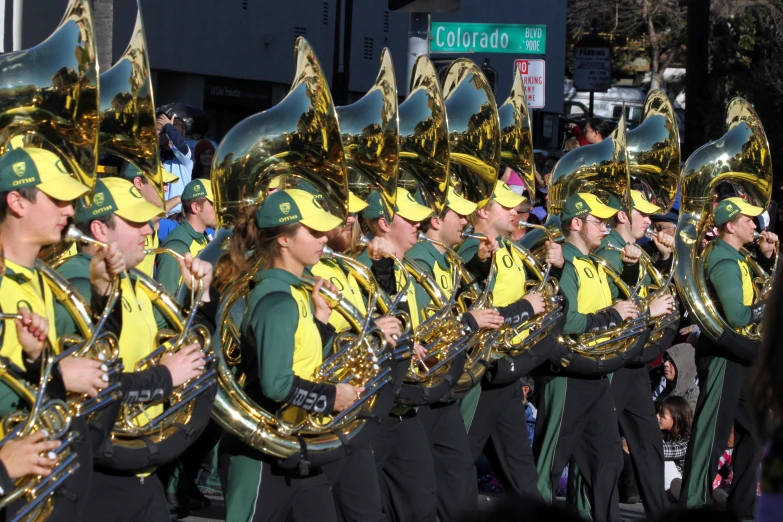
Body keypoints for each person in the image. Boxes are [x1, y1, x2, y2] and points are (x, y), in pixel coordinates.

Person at [56, 176, 212, 522]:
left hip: (140, 467)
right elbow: (83, 389)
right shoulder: (78, 288)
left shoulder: (137, 283)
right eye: (136, 222)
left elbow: (192, 348)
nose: (149, 229)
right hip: (97, 476)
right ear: (99, 229)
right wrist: (165, 377)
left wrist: (199, 296)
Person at [0, 147, 132, 520]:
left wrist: (103, 291)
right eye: (58, 199)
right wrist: (58, 374)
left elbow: (98, 353)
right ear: (17, 202)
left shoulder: (45, 280)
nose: (71, 210)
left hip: (47, 481)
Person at [216, 188, 363, 522]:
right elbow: (277, 385)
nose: (324, 237)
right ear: (283, 239)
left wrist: (322, 324)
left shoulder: (295, 294)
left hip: (296, 446)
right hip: (261, 455)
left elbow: (300, 360)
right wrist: (332, 396)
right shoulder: (277, 300)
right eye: (312, 232)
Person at [533, 193, 638, 522]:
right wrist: (612, 317)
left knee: (608, 460)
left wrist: (633, 273)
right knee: (550, 463)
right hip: (567, 374)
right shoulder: (563, 260)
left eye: (608, 222)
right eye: (599, 222)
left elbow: (622, 307)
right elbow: (567, 321)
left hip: (596, 371)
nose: (606, 228)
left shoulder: (595, 263)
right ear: (576, 223)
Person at [457, 181, 561, 501]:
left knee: (524, 478)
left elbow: (537, 296)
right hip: (480, 373)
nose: (517, 212)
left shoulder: (512, 248)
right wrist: (524, 309)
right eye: (507, 206)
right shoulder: (470, 248)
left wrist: (556, 269)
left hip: (506, 373)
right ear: (483, 211)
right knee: (456, 468)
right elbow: (472, 313)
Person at [406, 186, 504, 520]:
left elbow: (457, 296)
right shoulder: (420, 259)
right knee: (419, 491)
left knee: (459, 479)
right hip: (422, 385)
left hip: (442, 386)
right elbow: (424, 333)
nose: (467, 219)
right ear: (435, 220)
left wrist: (479, 264)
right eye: (458, 214)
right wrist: (469, 322)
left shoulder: (445, 257)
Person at [678, 197, 777, 519]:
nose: (755, 224)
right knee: (713, 433)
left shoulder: (738, 256)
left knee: (756, 428)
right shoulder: (723, 259)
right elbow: (736, 316)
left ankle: (744, 504)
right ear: (730, 225)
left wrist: (767, 258)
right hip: (724, 355)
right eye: (748, 219)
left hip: (742, 355)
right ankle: (694, 504)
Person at [308, 189, 402, 522]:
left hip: (353, 406)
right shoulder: (308, 268)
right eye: (343, 216)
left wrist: (384, 268)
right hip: (316, 413)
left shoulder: (345, 262)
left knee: (366, 512)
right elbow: (308, 341)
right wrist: (369, 330)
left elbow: (387, 305)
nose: (352, 222)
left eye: (353, 217)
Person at [591, 189, 677, 516]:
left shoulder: (636, 250)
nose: (650, 221)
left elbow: (653, 291)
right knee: (601, 447)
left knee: (648, 442)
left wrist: (665, 260)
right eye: (643, 214)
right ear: (624, 216)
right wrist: (648, 311)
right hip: (612, 360)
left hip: (635, 361)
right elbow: (614, 307)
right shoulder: (607, 252)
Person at [358, 187, 439, 521]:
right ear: (383, 224)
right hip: (374, 401)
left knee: (420, 498)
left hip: (402, 401)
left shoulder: (403, 266)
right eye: (409, 219)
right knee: (360, 504)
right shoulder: (366, 267)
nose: (419, 225)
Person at [155, 179, 216, 296]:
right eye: (213, 204)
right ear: (195, 207)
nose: (219, 210)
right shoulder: (176, 247)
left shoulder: (203, 236)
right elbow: (164, 305)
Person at [119, 162, 179, 278]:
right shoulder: (123, 219)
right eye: (161, 183)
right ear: (138, 183)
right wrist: (177, 200)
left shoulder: (151, 220)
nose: (166, 189)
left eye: (166, 184)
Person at [156, 113, 193, 216]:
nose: (156, 134)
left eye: (160, 130)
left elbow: (179, 145)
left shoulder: (184, 159)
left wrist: (169, 127)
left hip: (178, 217)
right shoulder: (154, 157)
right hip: (158, 216)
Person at [656, 396, 693, 493]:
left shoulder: (687, 440)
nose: (657, 416)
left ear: (676, 417)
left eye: (662, 414)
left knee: (660, 455)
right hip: (663, 483)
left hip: (680, 483)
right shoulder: (665, 435)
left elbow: (665, 451)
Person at [651, 343, 700, 412]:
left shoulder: (691, 396)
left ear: (684, 366)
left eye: (672, 361)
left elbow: (686, 421)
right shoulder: (666, 389)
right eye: (665, 360)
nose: (665, 364)